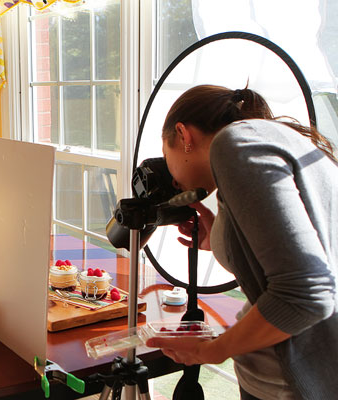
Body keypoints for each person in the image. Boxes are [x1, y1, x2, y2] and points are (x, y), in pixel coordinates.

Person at [145, 84, 338, 400]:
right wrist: (221, 239)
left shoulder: (234, 146)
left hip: (293, 383)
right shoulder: (265, 141)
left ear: (183, 135)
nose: (171, 177)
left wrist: (210, 351)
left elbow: (306, 295)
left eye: (166, 154)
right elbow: (285, 261)